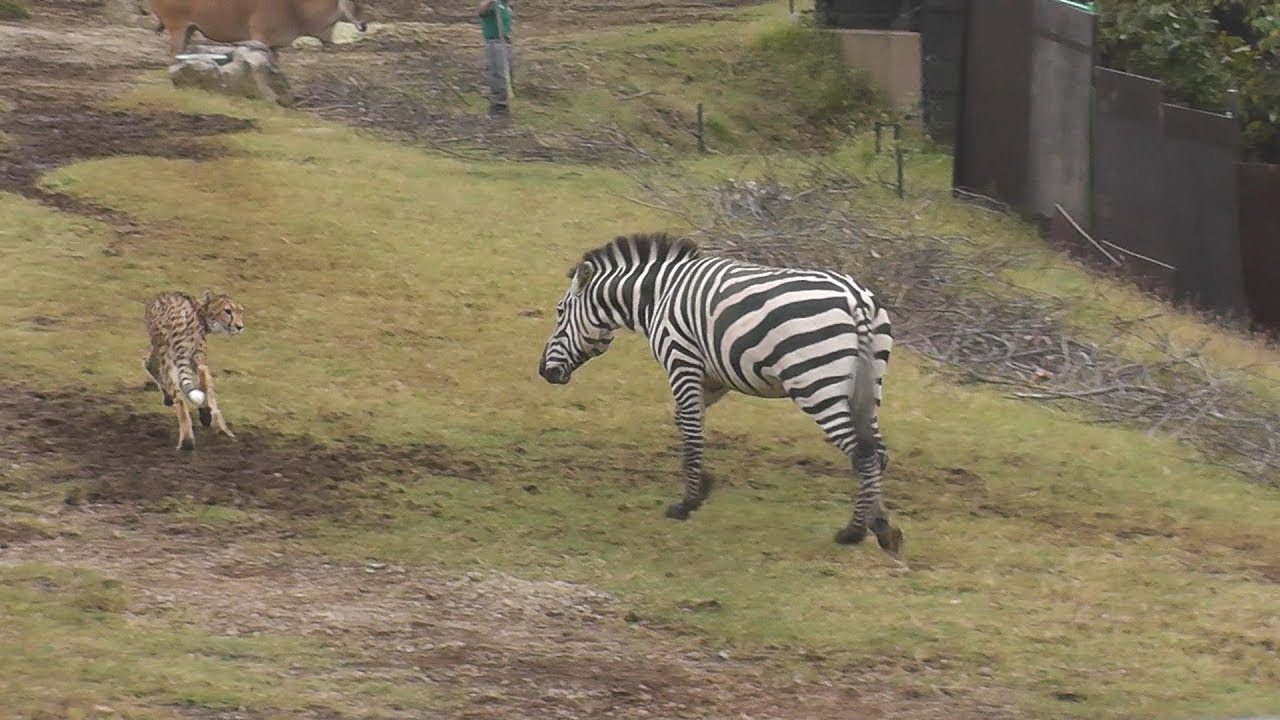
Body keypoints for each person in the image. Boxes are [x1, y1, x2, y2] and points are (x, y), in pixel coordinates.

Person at [477, 0, 514, 119]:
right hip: (495, 42)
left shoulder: (505, 5)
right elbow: (481, 11)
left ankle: (503, 103)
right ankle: (498, 107)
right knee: (497, 74)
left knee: (507, 72)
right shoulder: (493, 4)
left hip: (506, 42)